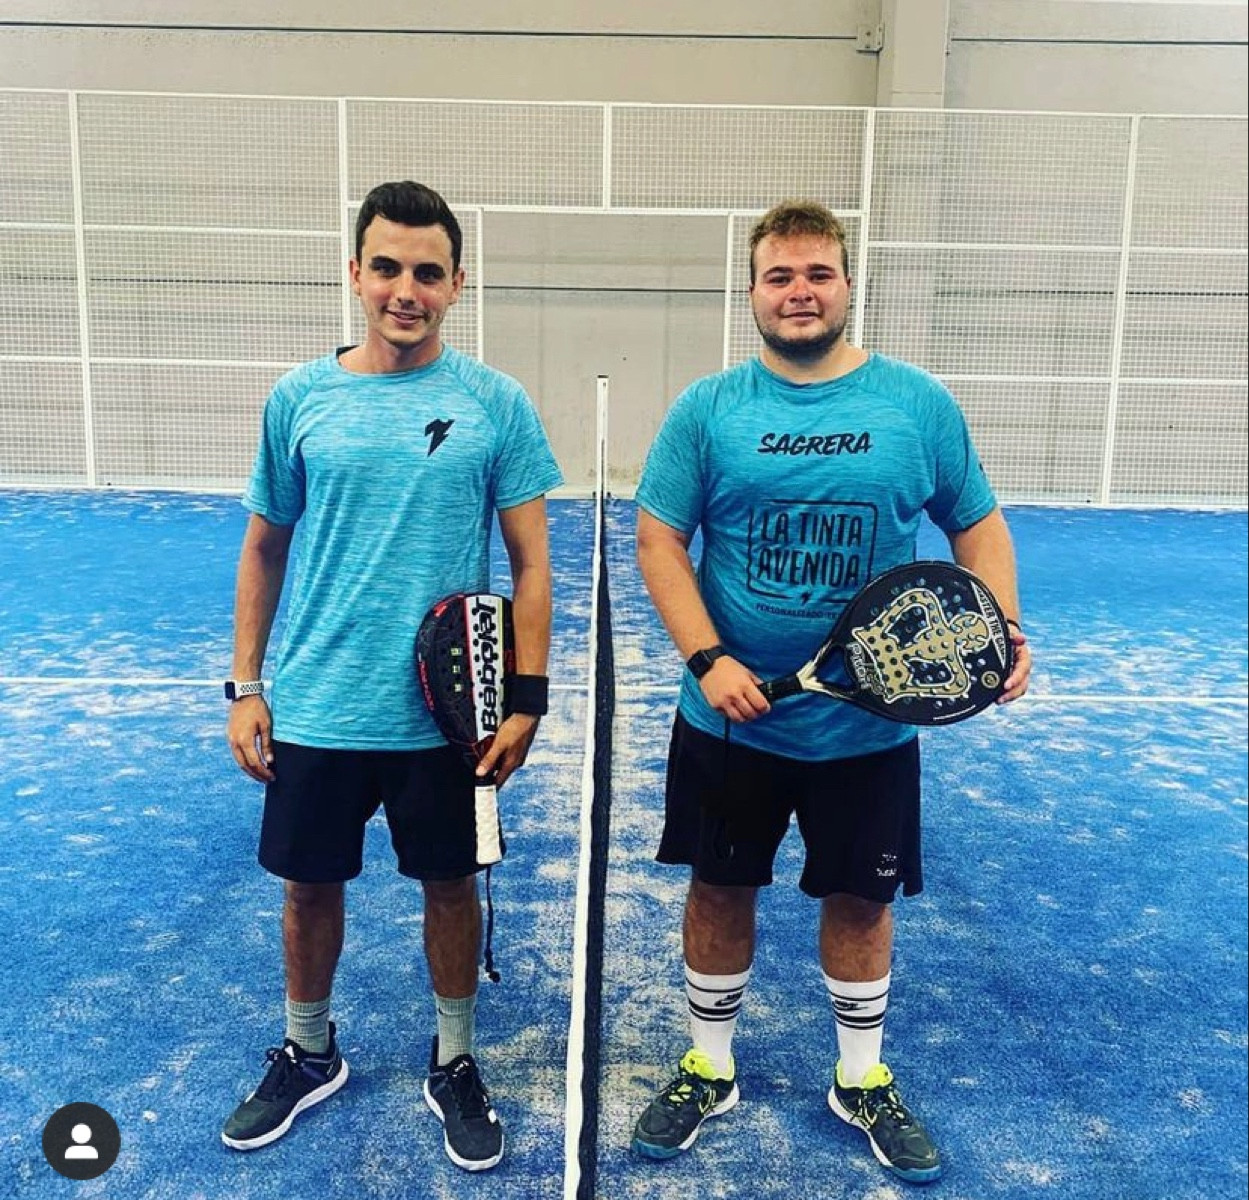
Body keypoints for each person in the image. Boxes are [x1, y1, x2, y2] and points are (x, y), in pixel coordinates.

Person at [630, 199, 1031, 1184]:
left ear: (848, 286)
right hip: (731, 721)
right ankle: (708, 1066)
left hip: (869, 730)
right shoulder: (707, 410)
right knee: (719, 887)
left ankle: (859, 1079)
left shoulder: (915, 406)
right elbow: (658, 540)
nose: (799, 292)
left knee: (860, 897)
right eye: (779, 276)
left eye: (817, 273)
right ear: (752, 292)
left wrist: (999, 629)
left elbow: (976, 524)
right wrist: (707, 660)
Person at [220, 180, 562, 1172]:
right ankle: (309, 1050)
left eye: (426, 272)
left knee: (450, 886)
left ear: (457, 284)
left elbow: (533, 564)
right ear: (355, 274)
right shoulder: (299, 398)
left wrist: (526, 699)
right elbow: (263, 547)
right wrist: (246, 686)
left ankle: (454, 1059)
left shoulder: (495, 403)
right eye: (385, 268)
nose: (404, 290)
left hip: (446, 715)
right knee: (308, 887)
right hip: (318, 703)